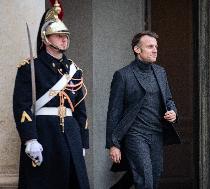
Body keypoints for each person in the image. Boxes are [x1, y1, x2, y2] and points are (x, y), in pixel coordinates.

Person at [13, 1, 90, 188]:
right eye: (58, 35)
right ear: (46, 39)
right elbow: (21, 106)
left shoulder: (74, 70)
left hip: (71, 133)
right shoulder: (31, 68)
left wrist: (82, 141)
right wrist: (30, 138)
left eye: (66, 36)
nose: (64, 39)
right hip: (44, 133)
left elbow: (80, 109)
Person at [106, 31, 181, 189]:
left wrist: (173, 112)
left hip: (157, 134)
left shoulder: (160, 72)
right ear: (137, 49)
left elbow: (168, 100)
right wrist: (113, 144)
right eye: (150, 46)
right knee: (144, 179)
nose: (155, 50)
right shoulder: (123, 75)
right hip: (135, 135)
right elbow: (114, 111)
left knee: (153, 178)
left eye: (156, 47)